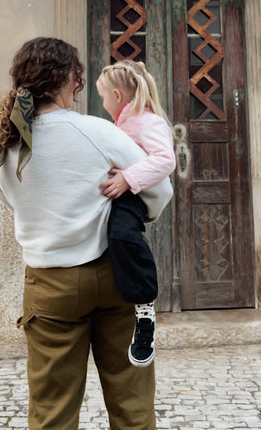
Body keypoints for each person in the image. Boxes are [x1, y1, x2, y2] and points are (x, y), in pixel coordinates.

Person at [0, 37, 173, 430]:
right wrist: (129, 211)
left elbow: (6, 199)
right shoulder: (98, 132)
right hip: (114, 274)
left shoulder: (6, 142)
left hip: (50, 284)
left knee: (52, 409)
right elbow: (160, 188)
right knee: (132, 401)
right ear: (70, 78)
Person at [96, 60, 176, 368]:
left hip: (134, 196)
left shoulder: (147, 120)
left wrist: (127, 178)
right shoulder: (123, 121)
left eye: (103, 96)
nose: (102, 103)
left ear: (117, 94)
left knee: (123, 236)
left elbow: (166, 160)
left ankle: (145, 312)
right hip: (121, 195)